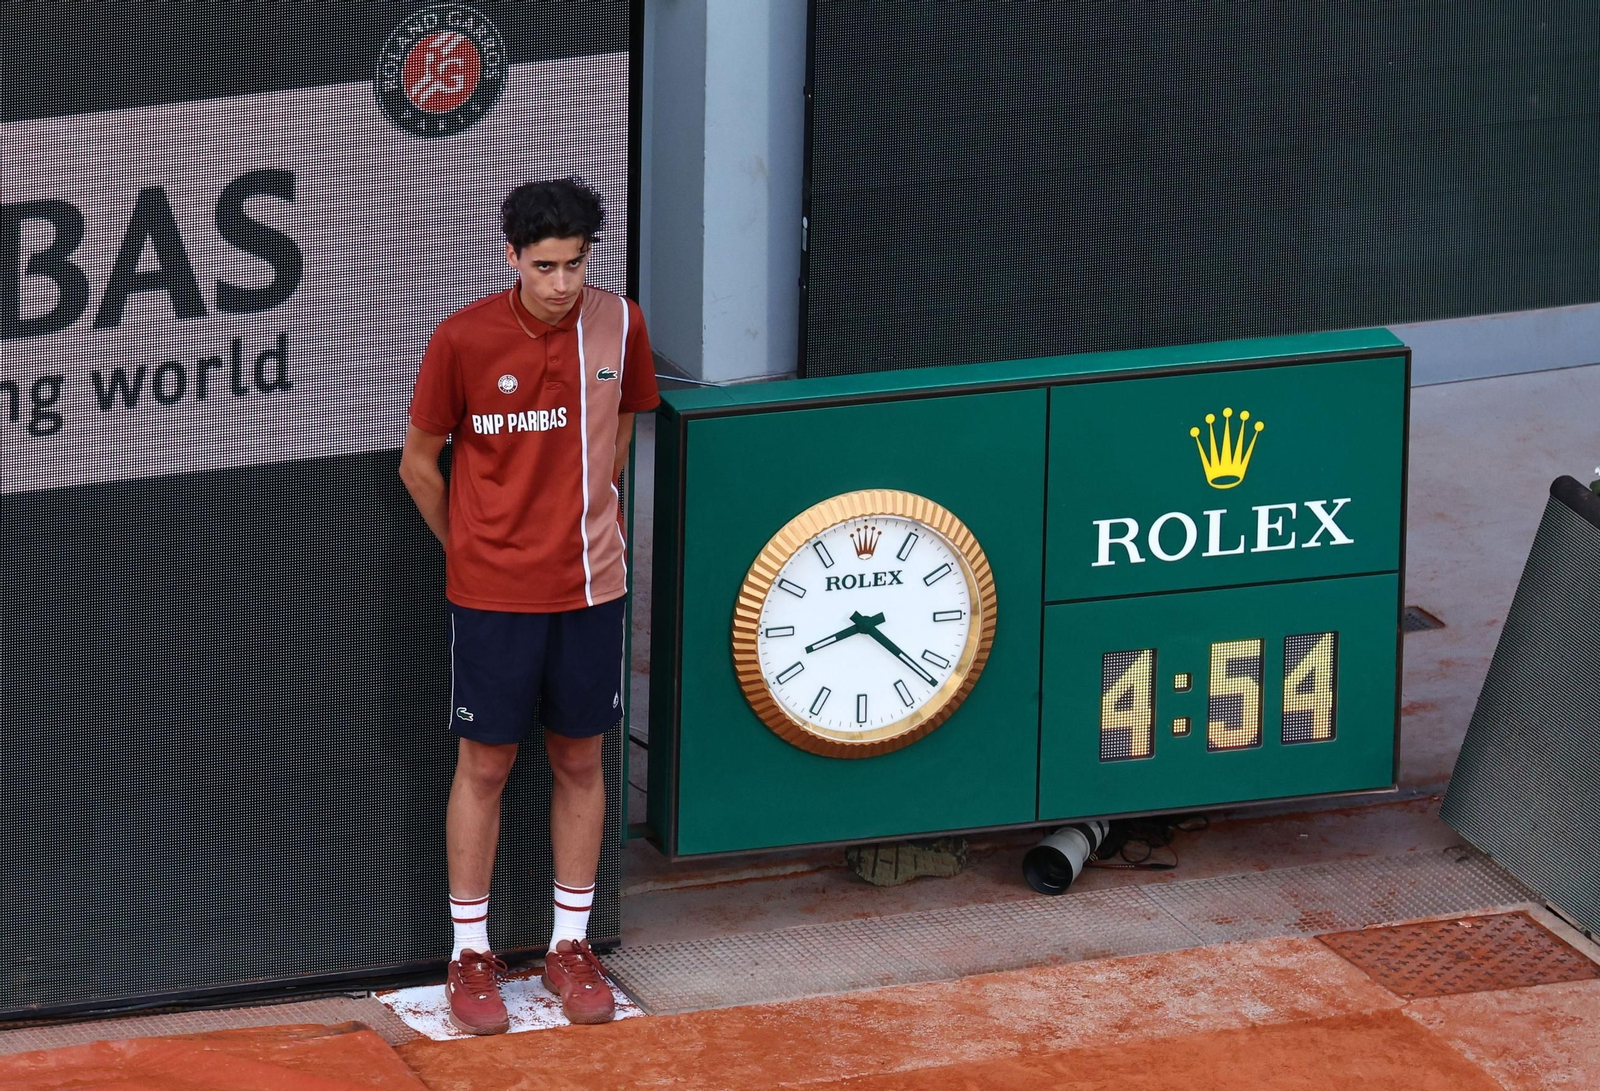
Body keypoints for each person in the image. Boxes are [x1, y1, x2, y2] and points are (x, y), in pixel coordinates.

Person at [399, 177, 659, 1034]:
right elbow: (418, 465)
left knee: (582, 758)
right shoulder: (462, 338)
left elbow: (622, 430)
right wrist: (472, 551)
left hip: (591, 587)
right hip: (494, 597)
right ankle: (471, 954)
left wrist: (589, 520)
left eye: (574, 265)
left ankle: (570, 946)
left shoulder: (621, 324)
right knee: (486, 765)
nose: (560, 283)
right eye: (544, 267)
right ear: (511, 256)